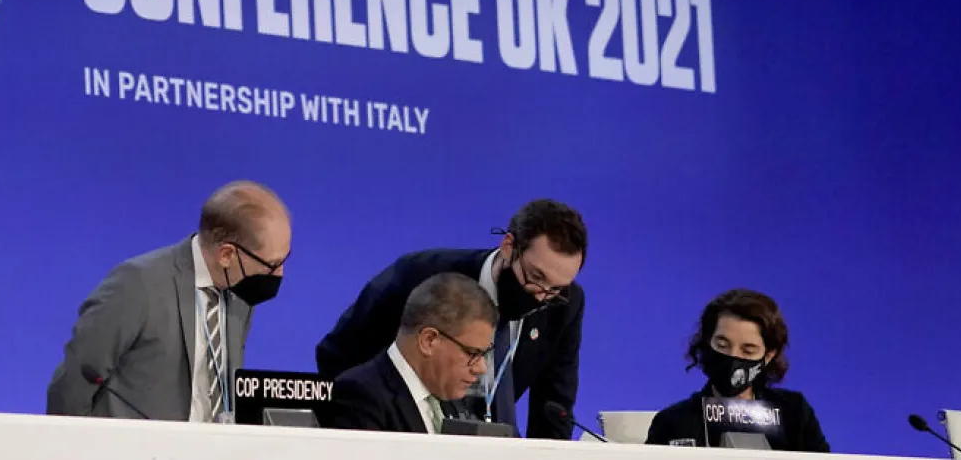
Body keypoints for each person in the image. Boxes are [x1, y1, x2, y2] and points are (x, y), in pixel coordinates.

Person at [316, 199, 587, 439]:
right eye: (536, 277)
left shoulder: (566, 304)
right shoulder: (421, 276)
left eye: (555, 289)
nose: (542, 297)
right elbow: (338, 355)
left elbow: (554, 404)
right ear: (509, 246)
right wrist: (368, 425)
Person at [47, 181, 291, 422]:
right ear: (226, 254)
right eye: (272, 265)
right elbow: (74, 381)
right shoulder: (138, 284)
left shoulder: (240, 293)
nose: (279, 274)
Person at [646, 289, 829, 451]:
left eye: (748, 350)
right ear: (707, 342)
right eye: (722, 345)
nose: (733, 357)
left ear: (769, 356)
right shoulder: (672, 422)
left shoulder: (795, 414)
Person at [317, 273, 497, 433]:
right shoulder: (359, 397)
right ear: (429, 340)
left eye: (484, 353)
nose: (481, 368)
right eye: (473, 353)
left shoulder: (455, 399)